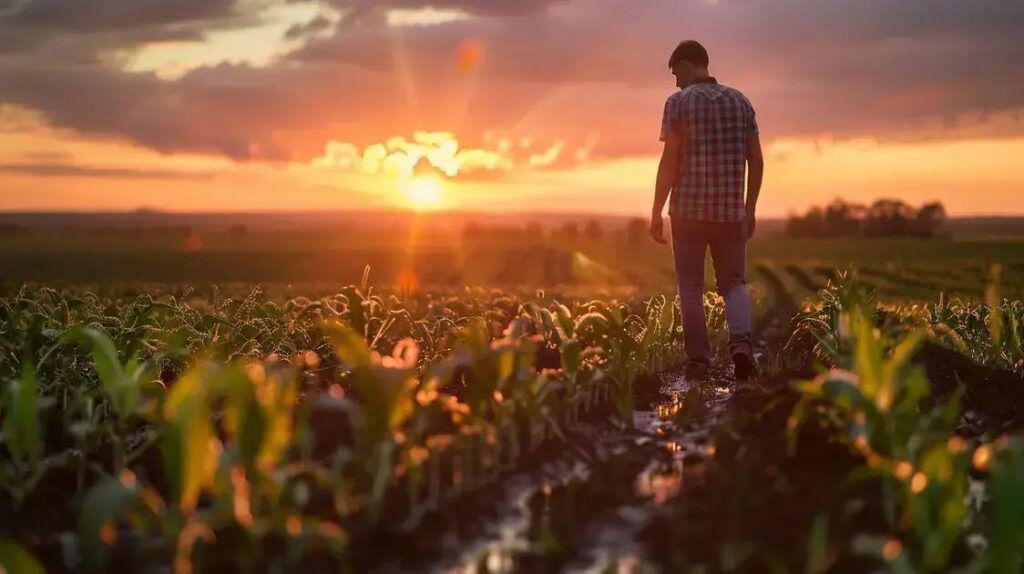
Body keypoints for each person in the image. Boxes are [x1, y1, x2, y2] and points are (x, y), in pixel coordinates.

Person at [649, 39, 764, 382]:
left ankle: (699, 362)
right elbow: (755, 160)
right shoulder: (741, 101)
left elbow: (670, 162)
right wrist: (750, 208)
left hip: (688, 210)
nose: (675, 81)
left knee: (690, 287)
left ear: (686, 64)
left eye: (675, 73)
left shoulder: (677, 103)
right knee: (735, 283)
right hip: (731, 213)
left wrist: (656, 209)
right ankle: (742, 346)